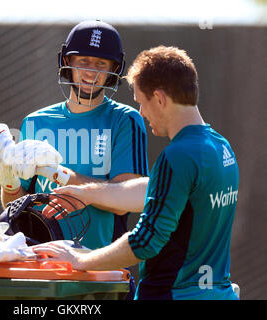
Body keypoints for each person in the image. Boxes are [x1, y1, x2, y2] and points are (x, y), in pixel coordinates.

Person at [34, 45, 240, 300]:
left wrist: (79, 259)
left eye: (142, 103)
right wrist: (87, 194)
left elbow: (144, 241)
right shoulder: (220, 147)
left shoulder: (177, 157)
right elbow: (156, 191)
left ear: (160, 99)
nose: (141, 113)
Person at [0, 20, 149, 299]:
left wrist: (61, 174)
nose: (91, 72)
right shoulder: (35, 122)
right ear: (67, 62)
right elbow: (19, 207)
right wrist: (8, 184)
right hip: (38, 271)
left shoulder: (125, 120)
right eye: (83, 61)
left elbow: (126, 200)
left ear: (114, 70)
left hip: (99, 273)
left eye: (101, 64)